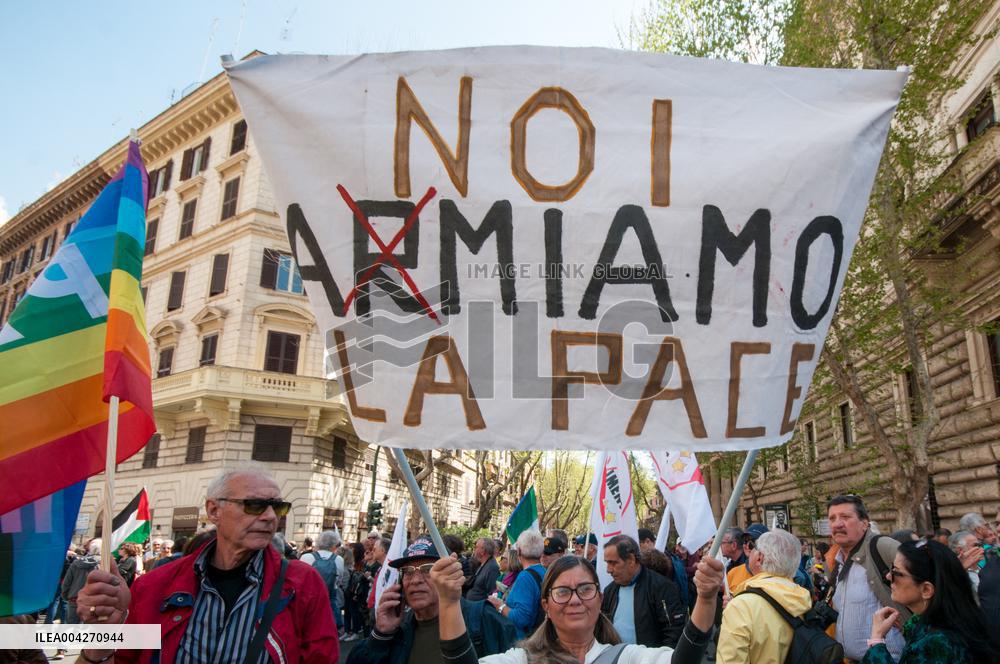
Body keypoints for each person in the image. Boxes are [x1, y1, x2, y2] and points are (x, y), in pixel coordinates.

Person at [72, 467, 339, 663]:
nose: (270, 517)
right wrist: (103, 636)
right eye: (255, 505)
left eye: (278, 507)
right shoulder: (154, 585)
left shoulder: (302, 583)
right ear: (213, 511)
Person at [430, 549, 727, 663]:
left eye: (585, 589)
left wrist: (705, 598)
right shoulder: (523, 660)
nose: (575, 599)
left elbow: (683, 662)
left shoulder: (627, 658)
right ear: (546, 604)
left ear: (599, 599)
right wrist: (448, 602)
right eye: (562, 592)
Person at [347, 538, 516, 664]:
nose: (415, 580)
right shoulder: (399, 630)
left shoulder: (484, 619)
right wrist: (380, 635)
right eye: (408, 571)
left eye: (428, 569)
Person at [861, 539, 1000, 663]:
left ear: (926, 590)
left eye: (896, 572)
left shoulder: (936, 642)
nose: (888, 575)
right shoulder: (947, 621)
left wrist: (876, 640)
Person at [825, 494, 908, 662]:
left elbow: (927, 587)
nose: (837, 524)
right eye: (832, 518)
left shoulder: (882, 547)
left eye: (845, 517)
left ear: (864, 524)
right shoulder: (836, 561)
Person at [716, 528, 813, 663]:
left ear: (759, 558)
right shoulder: (803, 597)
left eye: (753, 547)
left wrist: (734, 609)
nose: (748, 551)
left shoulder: (741, 606)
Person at [601, 534, 687, 648]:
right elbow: (603, 628)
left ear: (631, 559)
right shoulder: (609, 591)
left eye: (613, 563)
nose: (608, 570)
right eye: (607, 563)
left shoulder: (662, 587)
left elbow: (673, 632)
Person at [487, 530, 546, 638]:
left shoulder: (525, 577)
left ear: (519, 551)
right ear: (541, 552)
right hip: (537, 637)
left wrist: (500, 606)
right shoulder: (544, 571)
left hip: (522, 641)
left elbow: (521, 618)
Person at [302, 530, 347, 637]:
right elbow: (339, 580)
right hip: (329, 598)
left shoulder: (306, 557)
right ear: (335, 544)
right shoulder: (338, 559)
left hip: (309, 598)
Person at [61, 538, 101, 624]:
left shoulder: (77, 563)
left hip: (75, 599)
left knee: (71, 628)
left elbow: (66, 583)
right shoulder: (104, 564)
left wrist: (65, 596)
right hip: (93, 601)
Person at [725, 524, 767, 594]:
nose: (747, 545)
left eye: (753, 541)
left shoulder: (774, 574)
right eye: (745, 540)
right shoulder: (732, 573)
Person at [466, 537, 500, 601]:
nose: (474, 550)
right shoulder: (482, 563)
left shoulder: (492, 568)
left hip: (479, 608)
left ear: (483, 551)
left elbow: (492, 593)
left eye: (476, 547)